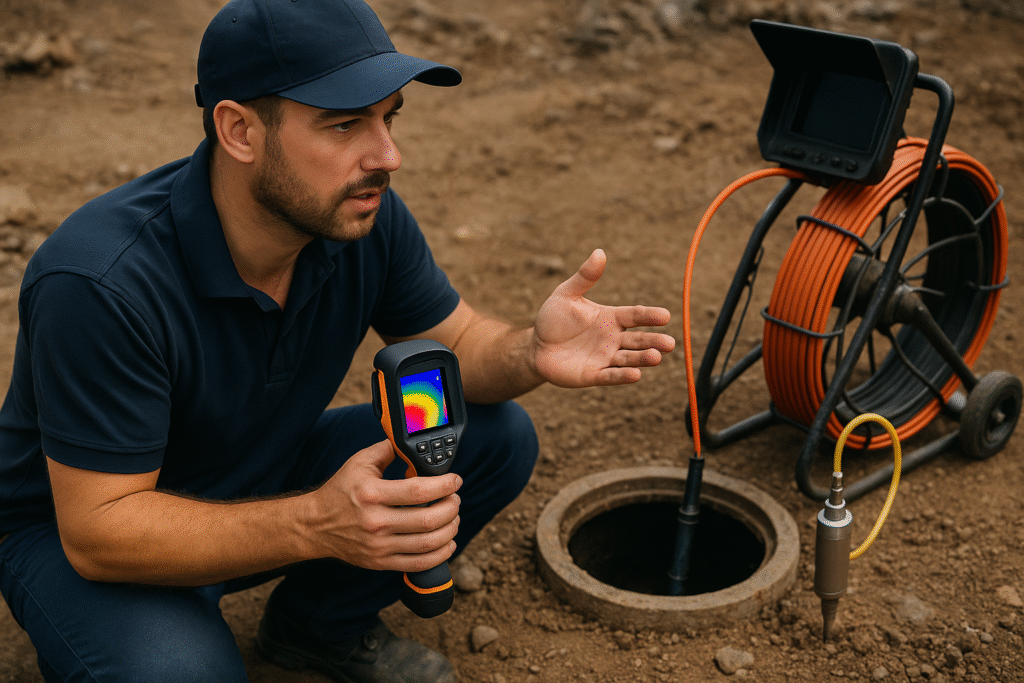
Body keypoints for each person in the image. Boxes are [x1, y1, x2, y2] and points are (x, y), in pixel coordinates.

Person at [0, 0, 676, 681]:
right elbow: (99, 532)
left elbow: (461, 343)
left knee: (492, 434)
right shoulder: (100, 281)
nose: (388, 156)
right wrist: (317, 522)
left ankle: (315, 627)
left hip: (252, 469)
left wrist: (531, 350)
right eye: (345, 123)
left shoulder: (356, 215)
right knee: (179, 672)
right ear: (238, 130)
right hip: (84, 533)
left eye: (389, 117)